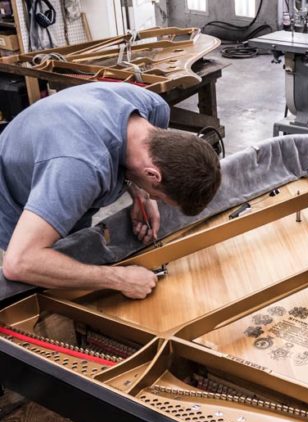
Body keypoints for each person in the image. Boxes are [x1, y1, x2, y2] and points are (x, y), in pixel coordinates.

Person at [0, 81, 221, 299]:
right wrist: (120, 278)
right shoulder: (81, 168)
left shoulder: (153, 110)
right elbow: (19, 262)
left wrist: (142, 194)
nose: (153, 198)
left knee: (75, 253)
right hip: (12, 196)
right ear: (153, 175)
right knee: (45, 282)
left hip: (54, 146)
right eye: (157, 195)